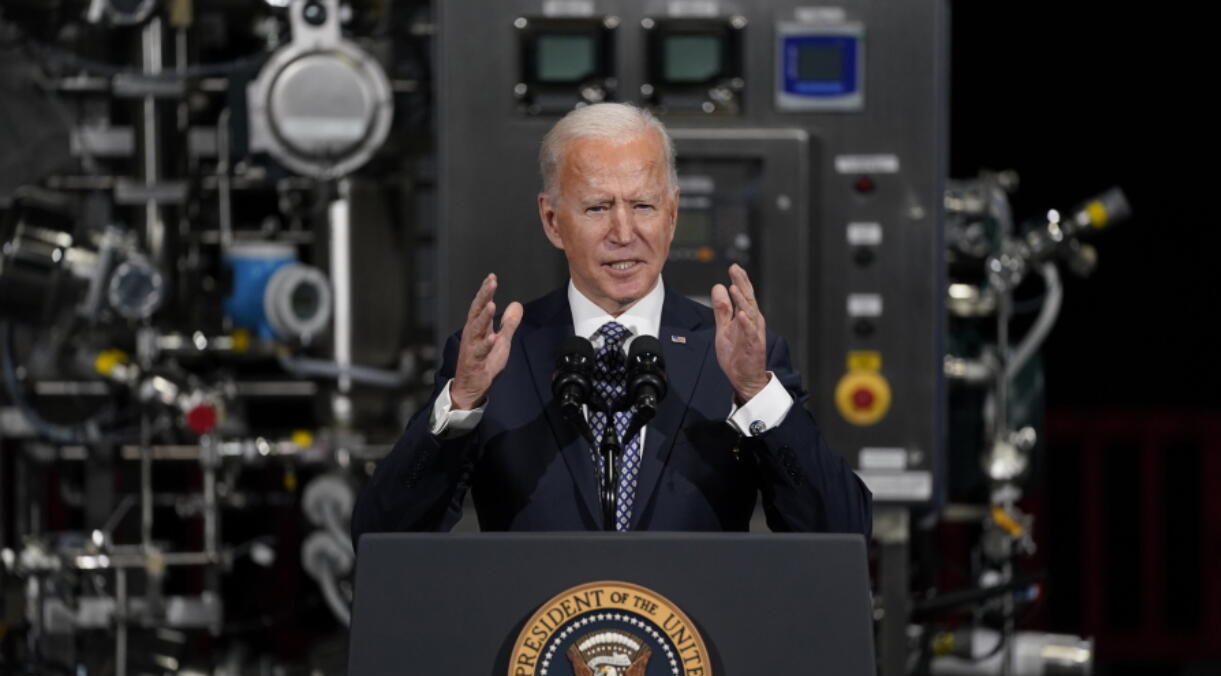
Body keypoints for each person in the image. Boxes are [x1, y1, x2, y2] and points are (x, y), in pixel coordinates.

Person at [351, 103, 870, 537]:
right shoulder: (497, 359)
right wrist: (459, 404)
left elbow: (842, 532)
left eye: (643, 205)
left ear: (671, 215)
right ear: (553, 221)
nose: (624, 232)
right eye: (598, 208)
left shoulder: (737, 357)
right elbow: (381, 535)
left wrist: (757, 393)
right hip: (535, 650)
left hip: (695, 651)